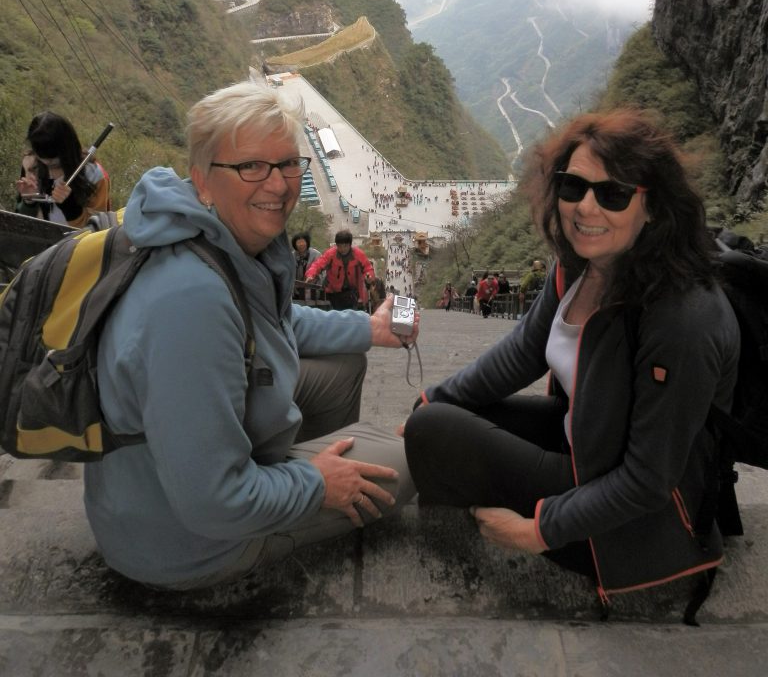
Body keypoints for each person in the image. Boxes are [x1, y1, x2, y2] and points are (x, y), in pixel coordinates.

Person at [83, 77, 417, 590]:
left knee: (345, 365)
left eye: (287, 163)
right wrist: (314, 485)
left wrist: (368, 326)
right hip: (184, 540)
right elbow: (210, 502)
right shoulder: (190, 299)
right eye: (250, 167)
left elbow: (276, 323)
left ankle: (290, 475)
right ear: (202, 179)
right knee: (414, 458)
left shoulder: (204, 233)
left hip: (159, 488)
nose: (279, 185)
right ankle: (307, 491)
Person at [403, 109, 740, 606]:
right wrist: (431, 397)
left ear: (653, 207)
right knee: (438, 415)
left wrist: (538, 531)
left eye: (613, 194)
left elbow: (648, 481)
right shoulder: (583, 266)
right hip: (586, 444)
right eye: (573, 186)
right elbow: (521, 353)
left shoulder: (682, 318)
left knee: (433, 434)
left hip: (638, 520)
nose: (586, 207)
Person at [15, 112, 110, 227]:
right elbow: (22, 222)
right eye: (41, 155)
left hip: (76, 243)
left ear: (68, 145)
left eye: (54, 156)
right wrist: (29, 201)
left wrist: (71, 209)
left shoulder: (94, 174)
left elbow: (99, 229)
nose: (47, 162)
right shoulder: (31, 164)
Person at [305, 230, 376, 311]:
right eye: (339, 246)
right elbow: (318, 264)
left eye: (345, 246)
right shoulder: (331, 254)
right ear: (336, 245)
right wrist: (311, 275)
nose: (342, 249)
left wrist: (369, 277)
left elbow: (367, 267)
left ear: (350, 245)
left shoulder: (358, 254)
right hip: (333, 292)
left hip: (352, 292)